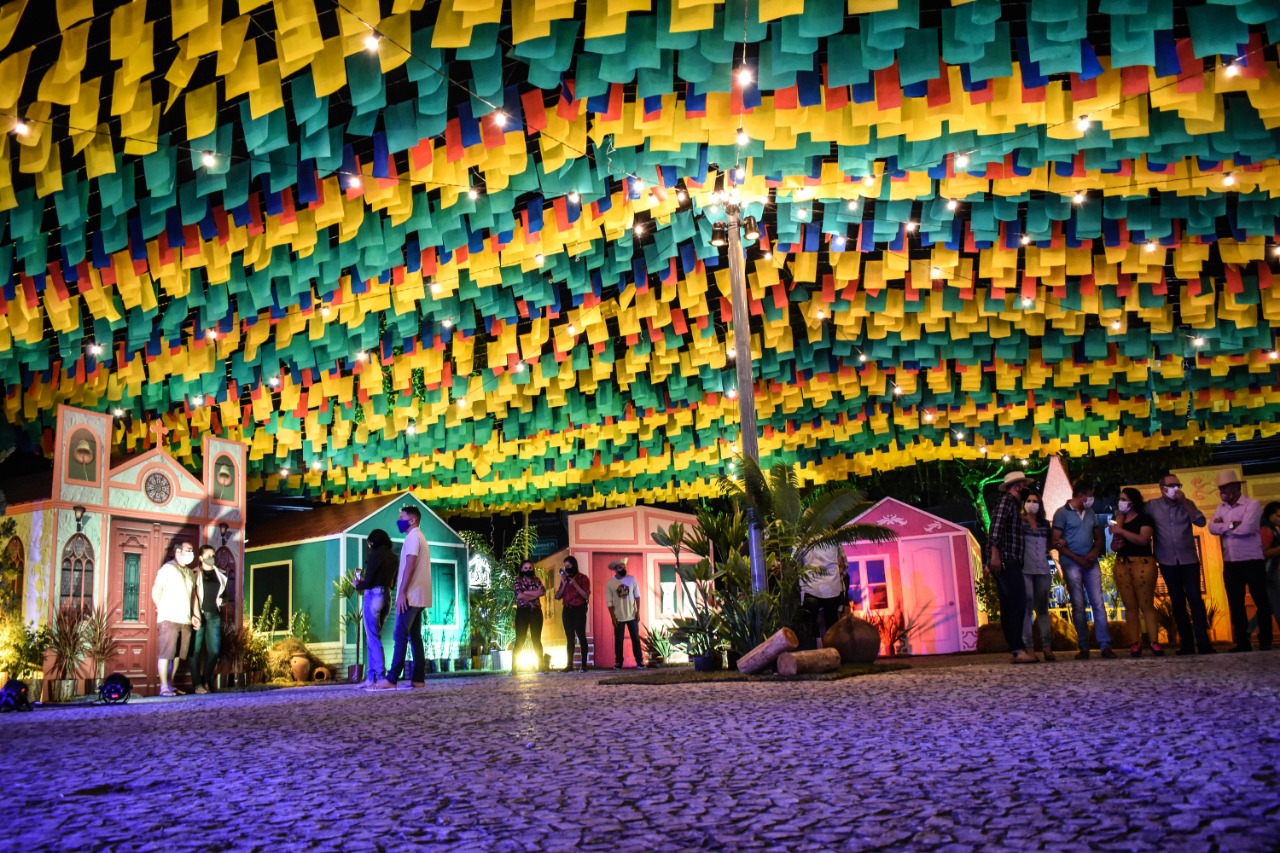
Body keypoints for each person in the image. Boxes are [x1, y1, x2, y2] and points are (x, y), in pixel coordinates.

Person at [1147, 473, 1215, 655]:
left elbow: (1200, 521)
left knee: (1195, 600)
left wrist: (1186, 502)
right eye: (1172, 485)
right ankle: (1186, 644)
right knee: (1177, 602)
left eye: (1178, 485)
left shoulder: (1187, 503)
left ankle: (1203, 643)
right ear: (1162, 489)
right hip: (1167, 560)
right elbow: (1136, 516)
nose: (1176, 488)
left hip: (1189, 559)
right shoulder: (1152, 506)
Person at [1208, 471, 1273, 652]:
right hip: (1231, 561)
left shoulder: (1251, 504)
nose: (1222, 491)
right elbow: (1211, 528)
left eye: (1225, 487)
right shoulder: (1221, 507)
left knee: (1261, 600)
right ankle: (1243, 642)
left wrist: (1224, 527)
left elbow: (1248, 528)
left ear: (1236, 487)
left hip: (1252, 559)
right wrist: (1231, 525)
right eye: (1221, 488)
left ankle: (1265, 639)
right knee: (1235, 603)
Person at [1052, 479, 1115, 660]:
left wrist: (1093, 553)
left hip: (1090, 563)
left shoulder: (1091, 513)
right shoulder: (1061, 514)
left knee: (1098, 603)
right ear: (1081, 495)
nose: (1091, 498)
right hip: (1071, 563)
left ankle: (1105, 645)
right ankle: (1084, 647)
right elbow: (1056, 542)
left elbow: (1099, 537)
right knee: (1078, 605)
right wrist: (1079, 558)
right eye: (1090, 494)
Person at [372, 507, 431, 689]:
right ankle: (418, 679)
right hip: (420, 595)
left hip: (411, 595)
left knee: (400, 635)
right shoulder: (421, 537)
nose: (399, 520)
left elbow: (410, 564)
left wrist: (402, 592)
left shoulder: (413, 537)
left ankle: (391, 679)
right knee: (414, 637)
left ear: (412, 520)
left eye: (401, 517)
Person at [986, 472, 1038, 663]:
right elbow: (996, 528)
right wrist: (995, 555)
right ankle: (1017, 648)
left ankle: (1016, 648)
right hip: (1007, 559)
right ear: (1017, 487)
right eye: (1024, 485)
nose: (1026, 488)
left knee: (1011, 605)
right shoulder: (1007, 502)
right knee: (1016, 603)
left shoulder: (1012, 506)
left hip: (1008, 558)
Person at [1109, 488, 1162, 657]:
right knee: (1130, 606)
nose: (1121, 502)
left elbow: (1143, 539)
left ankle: (1154, 642)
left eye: (1124, 499)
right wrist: (1116, 544)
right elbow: (1114, 545)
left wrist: (1122, 531)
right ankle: (1135, 643)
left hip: (1143, 562)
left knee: (1146, 604)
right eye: (1120, 499)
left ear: (1133, 501)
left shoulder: (1145, 518)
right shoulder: (1120, 520)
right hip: (1123, 562)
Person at [152, 540, 198, 697]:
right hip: (169, 618)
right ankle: (163, 686)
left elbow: (193, 596)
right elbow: (156, 590)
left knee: (177, 655)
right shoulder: (168, 569)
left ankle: (170, 685)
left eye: (192, 550)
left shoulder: (191, 573)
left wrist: (194, 615)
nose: (191, 552)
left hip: (184, 619)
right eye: (188, 549)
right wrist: (161, 607)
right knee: (167, 653)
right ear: (178, 551)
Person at [356, 529, 397, 689]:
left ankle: (379, 677)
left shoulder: (374, 554)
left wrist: (357, 584)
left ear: (373, 542)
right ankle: (371, 677)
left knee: (372, 638)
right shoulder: (393, 557)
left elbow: (369, 582)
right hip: (386, 595)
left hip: (373, 596)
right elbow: (391, 581)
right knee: (373, 636)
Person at [1021, 490, 1055, 661]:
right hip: (1025, 570)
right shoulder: (1019, 522)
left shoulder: (1044, 524)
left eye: (1035, 501)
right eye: (1029, 500)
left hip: (1042, 569)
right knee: (1026, 609)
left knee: (1042, 609)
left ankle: (1047, 648)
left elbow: (1050, 544)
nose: (1032, 504)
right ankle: (1029, 648)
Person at [191, 545, 228, 694]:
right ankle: (197, 684)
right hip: (199, 615)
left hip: (214, 616)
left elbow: (226, 596)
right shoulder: (194, 574)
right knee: (194, 651)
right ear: (200, 558)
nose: (211, 558)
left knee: (214, 650)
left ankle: (206, 679)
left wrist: (222, 601)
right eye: (208, 555)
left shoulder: (220, 575)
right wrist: (194, 614)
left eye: (213, 555)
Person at [800, 542, 849, 649]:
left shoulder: (804, 537)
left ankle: (812, 654)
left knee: (810, 625)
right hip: (831, 587)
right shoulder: (834, 538)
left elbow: (794, 559)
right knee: (831, 624)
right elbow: (844, 564)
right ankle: (834, 654)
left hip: (810, 587)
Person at [605, 559, 644, 668]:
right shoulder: (610, 583)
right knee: (618, 640)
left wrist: (638, 611)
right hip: (618, 616)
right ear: (615, 570)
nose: (623, 569)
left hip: (632, 614)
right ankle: (619, 662)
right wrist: (612, 617)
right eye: (620, 567)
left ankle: (639, 661)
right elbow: (609, 602)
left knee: (635, 638)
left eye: (624, 567)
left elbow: (637, 595)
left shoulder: (631, 579)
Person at [555, 555, 591, 672]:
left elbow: (585, 595)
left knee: (581, 636)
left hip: (579, 609)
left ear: (574, 565)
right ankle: (569, 665)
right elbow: (557, 596)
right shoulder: (564, 580)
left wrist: (575, 584)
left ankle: (584, 665)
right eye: (565, 566)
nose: (567, 568)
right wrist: (564, 583)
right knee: (569, 637)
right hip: (567, 610)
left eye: (569, 566)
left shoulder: (583, 578)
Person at [512, 559, 547, 673]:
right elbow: (519, 595)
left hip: (536, 611)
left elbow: (542, 592)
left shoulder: (537, 580)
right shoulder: (517, 580)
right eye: (525, 568)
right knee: (520, 640)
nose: (528, 570)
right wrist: (534, 594)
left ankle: (540, 666)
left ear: (533, 569)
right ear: (522, 570)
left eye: (530, 568)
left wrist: (527, 593)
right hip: (522, 612)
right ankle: (514, 668)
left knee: (536, 639)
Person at [1260, 501, 1280, 637]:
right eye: (1278, 516)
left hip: (1274, 571)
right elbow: (1264, 553)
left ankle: (1248, 630)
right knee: (1276, 607)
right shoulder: (1266, 529)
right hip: (1270, 573)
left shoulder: (1273, 528)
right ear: (1270, 515)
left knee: (1269, 607)